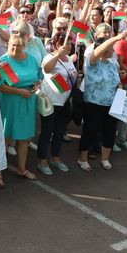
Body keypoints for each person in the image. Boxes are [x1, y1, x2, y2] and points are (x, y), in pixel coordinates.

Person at [0, 21, 43, 183]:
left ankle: (22, 169)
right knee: (5, 138)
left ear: (24, 46)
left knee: (24, 139)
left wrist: (36, 85)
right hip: (9, 103)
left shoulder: (31, 60)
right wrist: (18, 91)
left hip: (27, 102)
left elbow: (39, 76)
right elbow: (0, 86)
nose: (14, 49)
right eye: (12, 46)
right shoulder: (4, 60)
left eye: (18, 47)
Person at [78, 23, 123, 170]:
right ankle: (83, 158)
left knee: (109, 132)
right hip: (94, 103)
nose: (113, 50)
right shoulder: (92, 62)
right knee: (90, 131)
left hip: (111, 103)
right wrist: (117, 37)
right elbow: (97, 52)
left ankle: (105, 158)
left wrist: (120, 87)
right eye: (111, 48)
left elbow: (116, 81)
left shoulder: (111, 63)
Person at [37, 27, 77, 175]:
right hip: (51, 102)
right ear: (56, 45)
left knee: (59, 131)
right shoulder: (49, 57)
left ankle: (56, 157)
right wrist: (57, 55)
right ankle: (42, 160)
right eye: (63, 44)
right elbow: (46, 69)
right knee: (47, 131)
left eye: (69, 44)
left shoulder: (69, 59)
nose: (67, 47)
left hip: (64, 101)